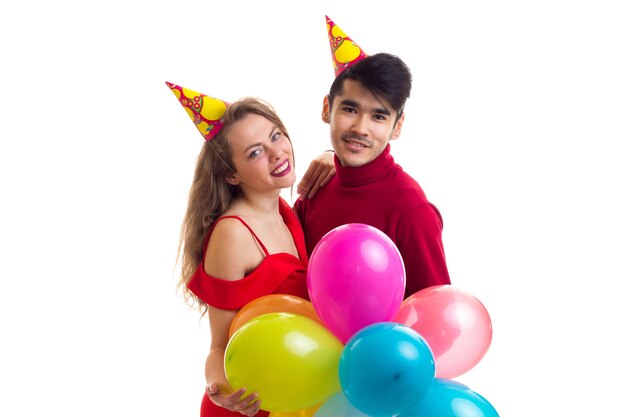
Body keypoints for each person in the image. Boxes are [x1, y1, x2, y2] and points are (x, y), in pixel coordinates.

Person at [167, 82, 333, 417]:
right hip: (249, 404)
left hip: (294, 396)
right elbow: (218, 346)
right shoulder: (233, 234)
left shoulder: (289, 213)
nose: (277, 153)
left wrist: (331, 157)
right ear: (231, 175)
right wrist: (221, 391)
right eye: (254, 152)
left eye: (275, 136)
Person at [295, 17, 451, 299]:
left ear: (397, 126)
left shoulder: (411, 210)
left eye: (379, 116)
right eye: (350, 109)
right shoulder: (315, 187)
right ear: (327, 109)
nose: (360, 129)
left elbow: (433, 317)